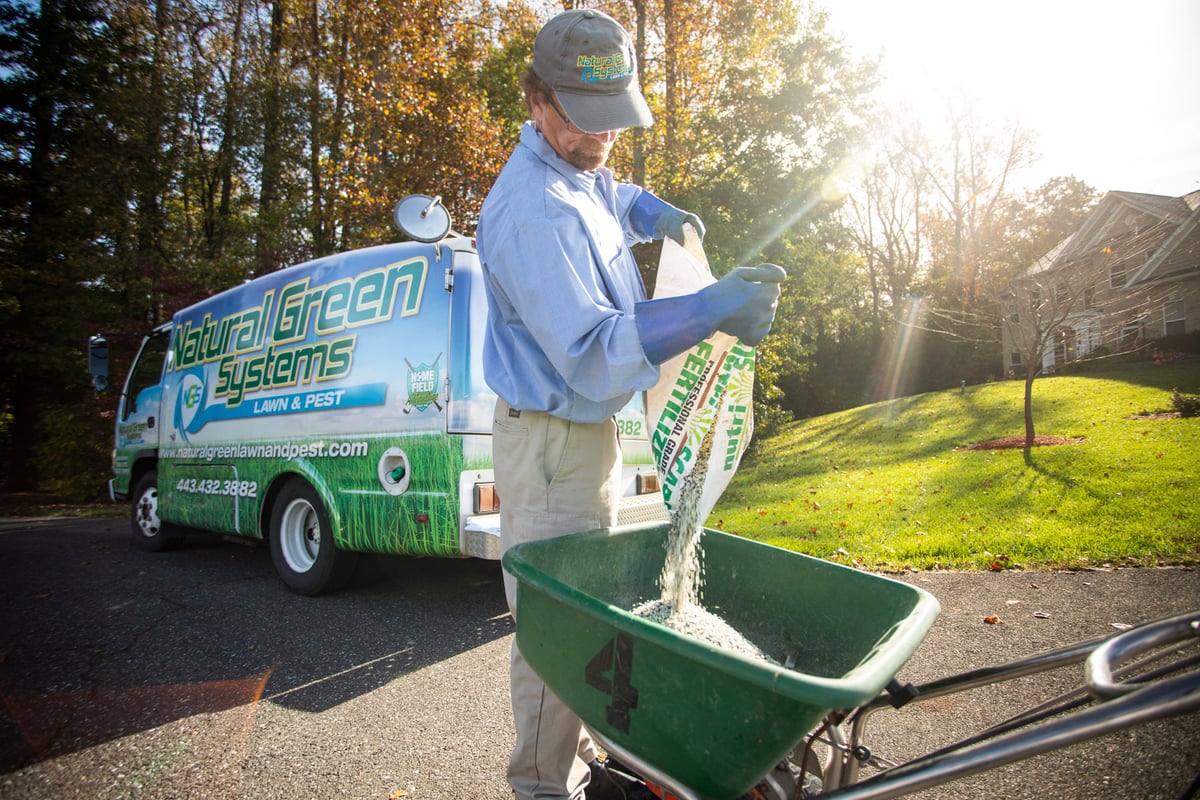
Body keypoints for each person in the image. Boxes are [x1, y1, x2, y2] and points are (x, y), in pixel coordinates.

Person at [475, 9, 786, 800]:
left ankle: (577, 770)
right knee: (556, 629)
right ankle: (540, 789)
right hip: (549, 446)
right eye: (588, 121)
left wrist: (659, 216)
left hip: (583, 436)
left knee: (588, 614)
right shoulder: (530, 212)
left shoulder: (575, 168)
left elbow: (612, 192)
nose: (603, 137)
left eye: (616, 120)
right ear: (539, 101)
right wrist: (709, 309)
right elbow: (590, 349)